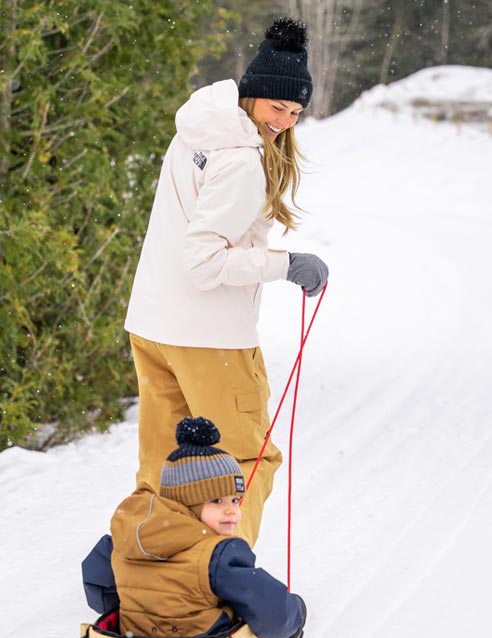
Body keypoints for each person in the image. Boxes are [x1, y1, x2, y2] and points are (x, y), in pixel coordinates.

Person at [124, 17, 329, 547]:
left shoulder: (196, 131)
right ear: (252, 94)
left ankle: (143, 566)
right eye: (277, 107)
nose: (283, 122)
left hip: (153, 325)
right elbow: (205, 262)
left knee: (165, 465)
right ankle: (224, 575)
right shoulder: (240, 160)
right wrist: (286, 265)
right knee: (244, 462)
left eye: (295, 113)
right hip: (209, 338)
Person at [82, 417, 306, 638]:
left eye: (235, 500)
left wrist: (138, 610)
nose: (231, 510)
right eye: (217, 501)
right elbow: (276, 615)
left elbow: (95, 579)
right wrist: (296, 613)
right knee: (279, 621)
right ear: (187, 504)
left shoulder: (125, 542)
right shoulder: (219, 555)